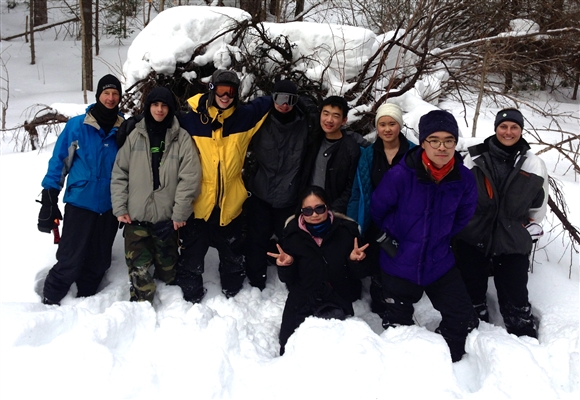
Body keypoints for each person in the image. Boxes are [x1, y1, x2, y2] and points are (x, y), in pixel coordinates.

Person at [370, 109, 479, 362]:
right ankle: (407, 367)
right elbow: (379, 209)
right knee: (398, 323)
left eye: (449, 140)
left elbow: (464, 215)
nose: (442, 147)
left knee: (461, 315)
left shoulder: (464, 178)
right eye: (435, 140)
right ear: (423, 142)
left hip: (438, 261)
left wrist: (437, 237)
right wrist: (400, 237)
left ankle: (447, 360)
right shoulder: (400, 175)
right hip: (400, 261)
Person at [175, 69, 272, 302]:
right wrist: (135, 123)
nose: (225, 96)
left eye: (231, 91)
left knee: (232, 255)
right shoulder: (191, 120)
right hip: (199, 201)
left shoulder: (244, 117)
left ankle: (233, 289)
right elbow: (160, 117)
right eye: (221, 90)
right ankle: (191, 293)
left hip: (231, 201)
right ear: (212, 90)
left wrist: (294, 99)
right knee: (192, 254)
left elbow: (269, 102)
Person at [454, 108, 548, 338]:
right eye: (503, 127)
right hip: (473, 233)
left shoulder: (533, 164)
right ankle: (474, 321)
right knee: (470, 287)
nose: (508, 132)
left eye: (514, 127)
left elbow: (538, 205)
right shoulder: (473, 157)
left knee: (515, 292)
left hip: (512, 235)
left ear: (521, 130)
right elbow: (459, 195)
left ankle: (521, 329)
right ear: (495, 129)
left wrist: (525, 230)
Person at [38, 74, 124, 305]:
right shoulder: (77, 125)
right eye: (106, 93)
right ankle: (50, 301)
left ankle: (86, 303)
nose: (111, 97)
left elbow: (130, 169)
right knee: (69, 259)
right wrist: (49, 197)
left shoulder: (124, 128)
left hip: (109, 207)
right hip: (80, 203)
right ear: (98, 95)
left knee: (99, 262)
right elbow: (60, 161)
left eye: (115, 93)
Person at [111, 87, 202, 302]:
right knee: (139, 275)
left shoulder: (181, 138)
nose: (159, 110)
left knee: (169, 275)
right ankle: (141, 309)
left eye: (164, 105)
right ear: (148, 107)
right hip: (136, 218)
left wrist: (179, 214)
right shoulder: (135, 135)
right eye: (155, 105)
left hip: (166, 220)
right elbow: (119, 173)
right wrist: (120, 208)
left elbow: (189, 178)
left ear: (170, 109)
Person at [268, 186, 369, 355]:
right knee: (289, 349)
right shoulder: (292, 235)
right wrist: (287, 265)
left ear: (327, 207)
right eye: (307, 211)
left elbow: (358, 275)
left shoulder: (346, 231)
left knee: (337, 351)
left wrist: (354, 261)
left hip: (337, 294)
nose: (314, 214)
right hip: (303, 297)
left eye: (319, 208)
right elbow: (288, 280)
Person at [243, 79, 319, 290]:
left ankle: (291, 277)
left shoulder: (305, 124)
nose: (284, 104)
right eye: (279, 98)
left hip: (289, 195)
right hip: (261, 191)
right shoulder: (261, 120)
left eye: (290, 100)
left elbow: (328, 132)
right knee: (256, 238)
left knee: (291, 240)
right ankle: (255, 279)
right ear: (272, 98)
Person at [347, 102, 416, 316]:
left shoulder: (414, 154)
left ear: (400, 126)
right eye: (382, 124)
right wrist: (353, 223)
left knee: (399, 262)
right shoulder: (368, 155)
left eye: (392, 124)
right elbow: (358, 191)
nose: (387, 129)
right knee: (376, 263)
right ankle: (379, 297)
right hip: (375, 220)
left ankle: (398, 302)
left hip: (404, 222)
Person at [306, 96, 363, 213]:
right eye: (325, 114)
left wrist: (333, 210)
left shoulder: (351, 149)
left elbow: (350, 187)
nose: (329, 120)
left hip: (334, 212)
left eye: (336, 116)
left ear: (344, 120)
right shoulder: (312, 141)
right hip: (308, 209)